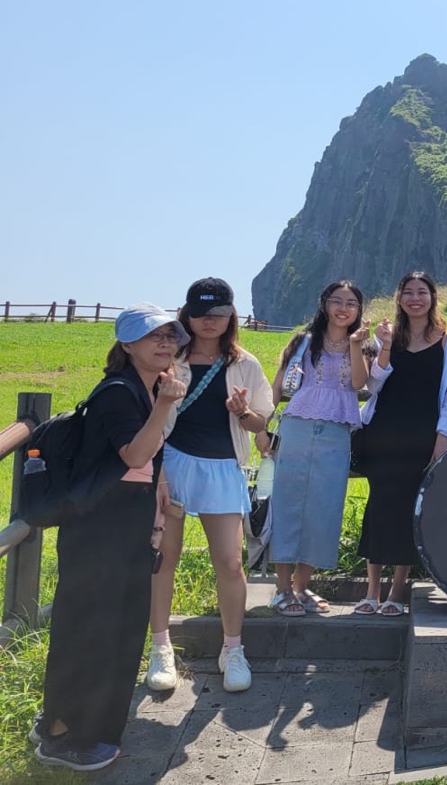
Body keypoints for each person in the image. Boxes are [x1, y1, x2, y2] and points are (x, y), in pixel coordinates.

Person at [33, 305, 187, 772]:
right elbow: (135, 453)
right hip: (100, 523)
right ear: (126, 346)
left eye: (168, 336)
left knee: (118, 626)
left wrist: (156, 527)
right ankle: (62, 735)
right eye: (151, 337)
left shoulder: (145, 388)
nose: (164, 344)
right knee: (89, 629)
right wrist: (165, 405)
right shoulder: (120, 393)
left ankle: (92, 729)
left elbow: (150, 467)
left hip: (126, 520)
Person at [146, 278, 273, 695]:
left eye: (218, 313)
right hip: (174, 464)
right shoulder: (169, 359)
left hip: (222, 468)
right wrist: (158, 472)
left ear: (231, 316)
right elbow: (149, 419)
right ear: (186, 314)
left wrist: (243, 413)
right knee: (164, 558)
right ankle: (160, 647)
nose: (209, 321)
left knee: (230, 562)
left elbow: (260, 424)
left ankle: (232, 649)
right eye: (201, 313)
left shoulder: (246, 364)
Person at [357, 272, 447, 616]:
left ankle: (396, 593)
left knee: (410, 511)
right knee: (378, 507)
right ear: (399, 298)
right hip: (383, 434)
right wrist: (385, 346)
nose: (414, 298)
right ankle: (371, 591)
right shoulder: (388, 337)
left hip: (423, 436)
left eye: (422, 292)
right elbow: (373, 385)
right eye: (408, 292)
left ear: (433, 297)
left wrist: (442, 438)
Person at [267, 280, 371, 616]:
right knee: (288, 501)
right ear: (324, 303)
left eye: (351, 303)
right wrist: (263, 427)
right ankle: (282, 589)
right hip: (296, 425)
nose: (343, 308)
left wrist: (356, 345)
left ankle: (300, 587)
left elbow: (358, 383)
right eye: (337, 301)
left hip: (338, 431)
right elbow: (278, 384)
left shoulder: (363, 344)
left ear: (359, 309)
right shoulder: (303, 340)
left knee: (324, 506)